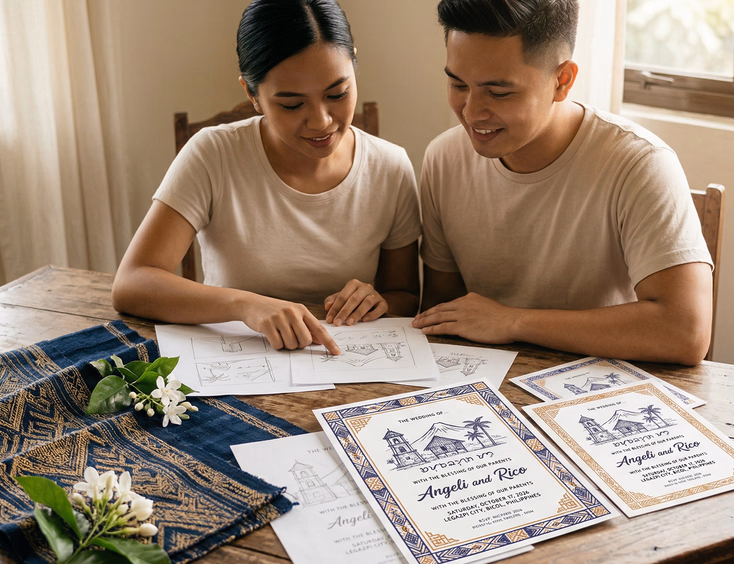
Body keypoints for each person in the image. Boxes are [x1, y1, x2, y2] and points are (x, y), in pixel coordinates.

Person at [412, 0, 713, 365]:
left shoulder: (639, 163)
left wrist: (513, 321)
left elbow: (685, 332)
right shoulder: (444, 158)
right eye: (458, 84)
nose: (471, 112)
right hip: (486, 387)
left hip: (605, 389)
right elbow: (442, 311)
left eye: (499, 92)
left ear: (562, 81)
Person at [112, 0, 421, 355]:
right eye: (292, 104)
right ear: (251, 94)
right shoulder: (213, 154)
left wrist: (378, 300)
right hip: (236, 362)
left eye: (337, 94)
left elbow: (405, 296)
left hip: (343, 365)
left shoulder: (391, 166)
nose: (321, 121)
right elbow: (133, 283)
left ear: (355, 64)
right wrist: (246, 306)